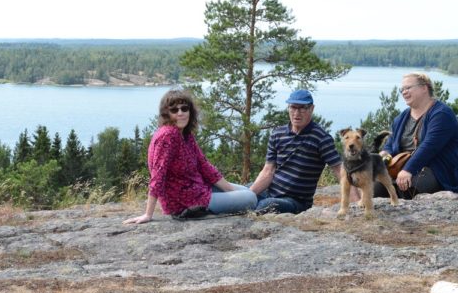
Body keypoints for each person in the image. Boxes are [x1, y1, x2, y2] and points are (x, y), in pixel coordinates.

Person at [124, 89, 256, 224]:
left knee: (247, 191)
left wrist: (230, 190)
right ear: (166, 114)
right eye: (174, 110)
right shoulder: (168, 136)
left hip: (200, 189)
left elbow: (204, 165)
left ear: (190, 111)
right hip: (186, 202)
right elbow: (158, 175)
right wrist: (148, 214)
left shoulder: (185, 134)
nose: (180, 113)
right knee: (251, 198)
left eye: (184, 108)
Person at [249, 89, 346, 214]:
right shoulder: (278, 133)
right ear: (288, 108)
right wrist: (247, 195)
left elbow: (340, 171)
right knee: (235, 192)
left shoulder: (321, 138)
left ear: (312, 109)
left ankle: (250, 207)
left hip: (295, 202)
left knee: (265, 205)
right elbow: (268, 171)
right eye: (293, 107)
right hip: (269, 192)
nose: (296, 113)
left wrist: (356, 204)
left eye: (302, 108)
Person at [376, 72, 458, 199]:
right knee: (374, 188)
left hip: (435, 171)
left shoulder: (442, 114)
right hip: (400, 169)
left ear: (424, 88)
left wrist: (408, 169)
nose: (404, 92)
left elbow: (429, 147)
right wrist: (383, 155)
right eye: (402, 89)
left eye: (408, 88)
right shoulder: (401, 118)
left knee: (407, 190)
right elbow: (390, 145)